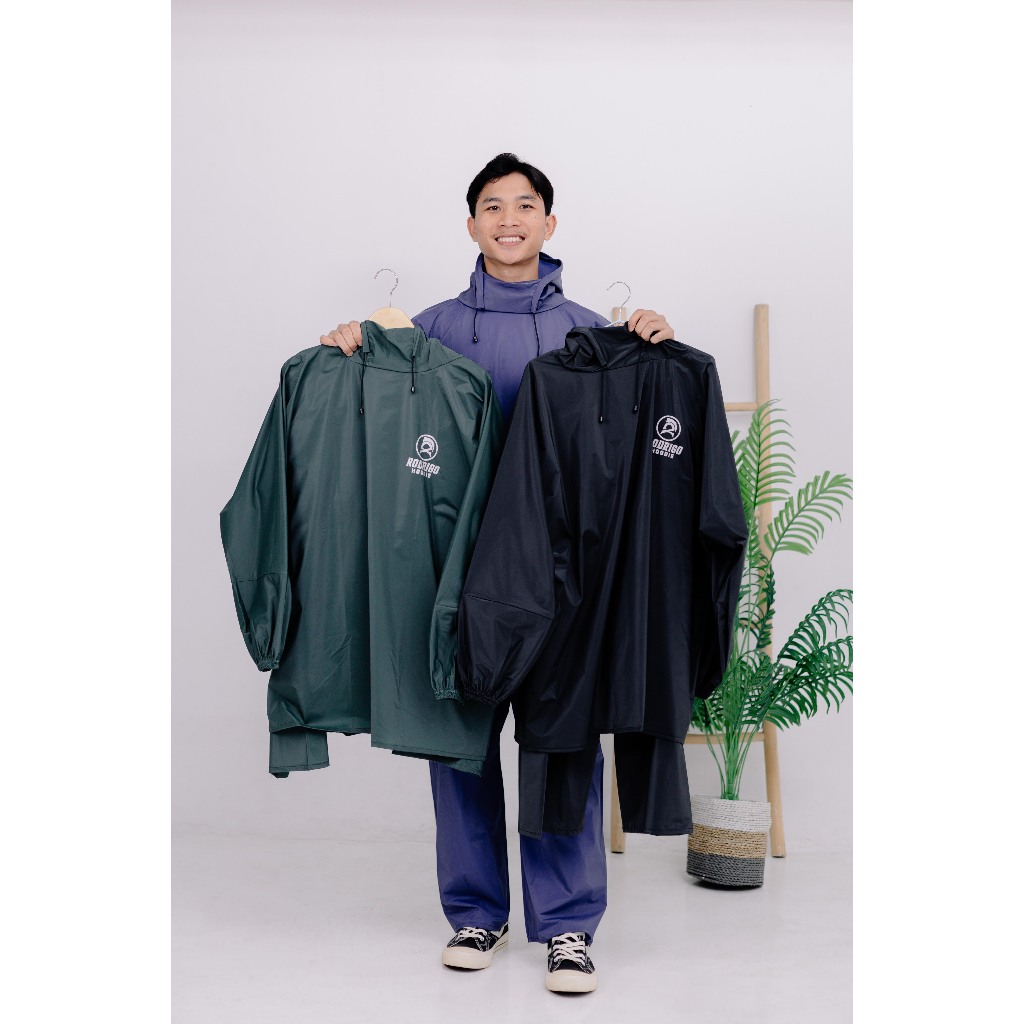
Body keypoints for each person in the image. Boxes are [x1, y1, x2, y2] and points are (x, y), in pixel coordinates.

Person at [319, 153, 675, 994]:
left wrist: (648, 342)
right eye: (492, 206)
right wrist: (352, 346)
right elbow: (382, 416)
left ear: (550, 223)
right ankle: (476, 912)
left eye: (524, 206)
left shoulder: (592, 332)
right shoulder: (430, 329)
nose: (508, 220)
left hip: (564, 575)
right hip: (456, 571)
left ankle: (568, 926)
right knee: (461, 745)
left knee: (564, 743)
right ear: (472, 224)